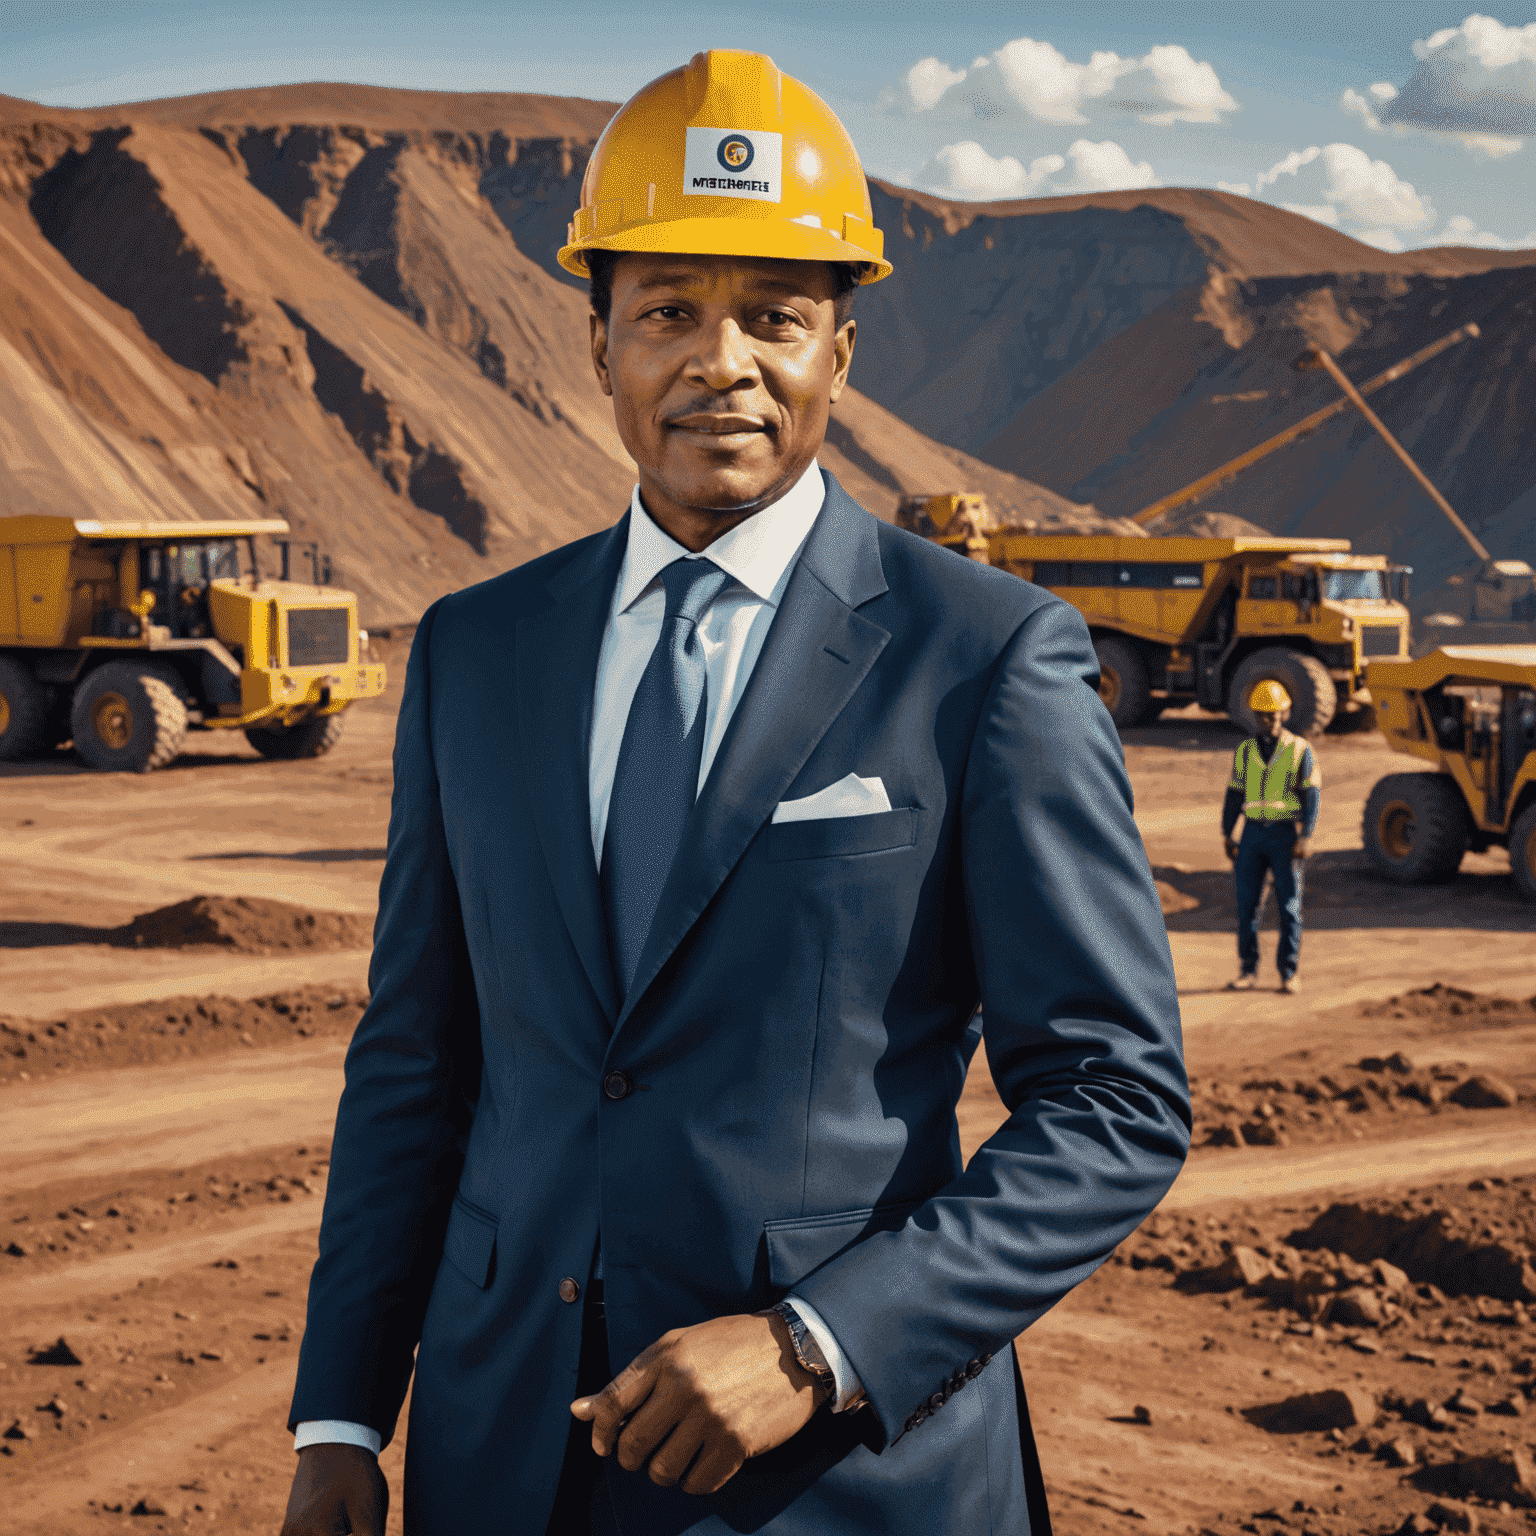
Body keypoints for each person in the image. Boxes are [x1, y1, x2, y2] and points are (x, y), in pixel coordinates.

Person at [278, 48, 1189, 1536]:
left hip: (837, 1485)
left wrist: (816, 1348)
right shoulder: (471, 652)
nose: (721, 363)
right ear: (597, 346)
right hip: (499, 1464)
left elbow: (1116, 1097)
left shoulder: (985, 658)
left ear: (843, 352)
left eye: (774, 317)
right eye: (668, 316)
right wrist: (337, 1416)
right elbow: (416, 1064)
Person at [1222, 679, 1321, 994]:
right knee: (1247, 905)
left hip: (1283, 835)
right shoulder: (1245, 751)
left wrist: (1306, 835)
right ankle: (1248, 970)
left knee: (1289, 905)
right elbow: (1234, 794)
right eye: (1265, 715)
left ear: (1286, 713)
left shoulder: (1300, 750)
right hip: (1251, 835)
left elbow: (1312, 796)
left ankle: (1288, 973)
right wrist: (1227, 832)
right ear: (1255, 715)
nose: (1272, 720)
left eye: (1277, 714)